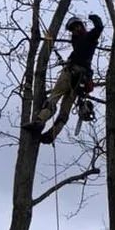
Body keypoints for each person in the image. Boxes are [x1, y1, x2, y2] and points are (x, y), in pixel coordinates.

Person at [23, 13, 103, 144]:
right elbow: (79, 49)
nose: (75, 30)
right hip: (78, 77)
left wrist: (94, 18)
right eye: (73, 29)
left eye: (77, 27)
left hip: (74, 77)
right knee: (54, 100)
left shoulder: (88, 38)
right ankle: (40, 123)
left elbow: (98, 28)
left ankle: (51, 134)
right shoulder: (77, 40)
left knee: (59, 102)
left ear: (81, 26)